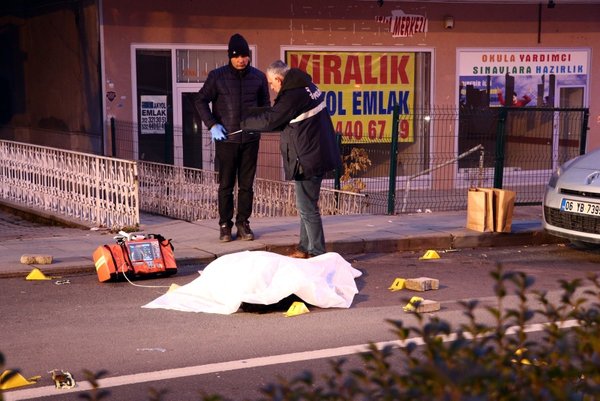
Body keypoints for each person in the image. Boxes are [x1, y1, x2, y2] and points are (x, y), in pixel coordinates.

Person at [240, 60, 341, 258]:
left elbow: (272, 120)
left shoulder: (292, 95)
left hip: (307, 156)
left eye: (271, 83)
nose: (271, 87)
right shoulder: (305, 86)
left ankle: (318, 253)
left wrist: (243, 122)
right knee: (306, 206)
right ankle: (304, 248)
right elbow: (281, 115)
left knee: (307, 208)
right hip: (315, 152)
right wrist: (253, 113)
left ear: (279, 78)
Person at [195, 33, 270, 242]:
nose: (241, 60)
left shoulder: (258, 77)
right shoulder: (217, 76)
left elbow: (266, 107)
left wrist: (260, 124)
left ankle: (243, 223)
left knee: (246, 185)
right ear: (230, 57)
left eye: (244, 56)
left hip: (250, 140)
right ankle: (225, 225)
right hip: (226, 140)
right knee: (226, 184)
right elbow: (200, 100)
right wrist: (212, 125)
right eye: (237, 56)